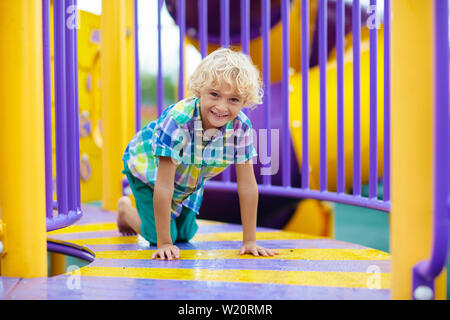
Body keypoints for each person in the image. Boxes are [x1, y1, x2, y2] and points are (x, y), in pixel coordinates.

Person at [117, 48, 279, 260]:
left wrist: (249, 241)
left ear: (244, 101)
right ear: (199, 90)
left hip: (187, 179)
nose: (221, 107)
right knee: (161, 235)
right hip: (147, 171)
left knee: (185, 234)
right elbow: (163, 185)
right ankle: (125, 210)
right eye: (214, 94)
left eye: (234, 99)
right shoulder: (179, 122)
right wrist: (164, 243)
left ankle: (165, 230)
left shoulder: (241, 127)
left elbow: (247, 185)